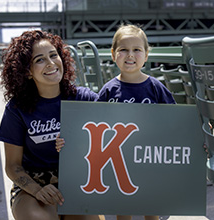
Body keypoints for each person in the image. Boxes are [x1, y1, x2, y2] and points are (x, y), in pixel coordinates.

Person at [0, 30, 105, 220]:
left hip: (76, 181)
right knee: (39, 217)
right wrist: (37, 190)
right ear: (27, 72)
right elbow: (12, 166)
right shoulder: (17, 109)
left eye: (54, 55)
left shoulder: (82, 98)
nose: (51, 63)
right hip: (32, 185)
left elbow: (117, 117)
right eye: (39, 60)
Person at [97, 24, 176, 220]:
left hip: (149, 156)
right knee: (123, 206)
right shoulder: (109, 90)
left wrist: (195, 129)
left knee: (151, 204)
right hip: (119, 159)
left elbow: (175, 117)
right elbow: (94, 120)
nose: (130, 55)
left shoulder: (156, 87)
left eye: (137, 50)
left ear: (146, 55)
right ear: (113, 54)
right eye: (123, 50)